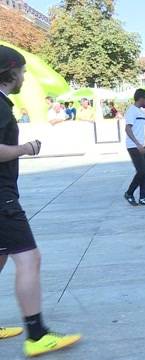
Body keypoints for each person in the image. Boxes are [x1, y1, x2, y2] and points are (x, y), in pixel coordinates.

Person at [0, 44, 81, 357]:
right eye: (21, 70)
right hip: (2, 198)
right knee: (29, 258)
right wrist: (26, 148)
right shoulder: (0, 106)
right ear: (8, 71)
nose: (24, 76)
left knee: (2, 257)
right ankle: (36, 335)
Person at [123, 89, 145, 206]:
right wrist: (137, 144)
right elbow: (127, 129)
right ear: (141, 99)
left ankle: (143, 197)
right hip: (134, 146)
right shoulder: (131, 111)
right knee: (141, 171)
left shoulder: (142, 112)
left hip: (142, 146)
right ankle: (129, 193)